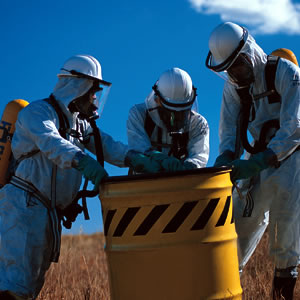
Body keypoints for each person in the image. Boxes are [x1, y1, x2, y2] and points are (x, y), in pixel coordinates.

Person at [0, 54, 156, 300]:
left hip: (45, 214)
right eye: (92, 91)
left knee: (28, 289)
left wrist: (137, 158)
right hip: (22, 210)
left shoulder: (78, 123)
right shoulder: (38, 113)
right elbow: (54, 144)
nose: (95, 98)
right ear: (75, 87)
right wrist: (85, 163)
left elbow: (107, 145)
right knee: (14, 287)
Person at [206, 22, 300, 300]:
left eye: (238, 65)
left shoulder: (286, 72)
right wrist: (225, 159)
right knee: (238, 227)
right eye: (229, 69)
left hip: (292, 160)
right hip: (255, 159)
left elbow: (295, 126)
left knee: (286, 233)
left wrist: (265, 159)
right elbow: (229, 131)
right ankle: (228, 290)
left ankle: (280, 293)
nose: (235, 73)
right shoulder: (234, 87)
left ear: (250, 52)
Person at [126, 67, 209, 173]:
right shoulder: (139, 114)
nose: (177, 118)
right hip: (144, 184)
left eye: (182, 113)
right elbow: (138, 148)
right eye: (171, 112)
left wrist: (190, 166)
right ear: (157, 100)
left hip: (183, 185)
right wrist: (157, 158)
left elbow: (199, 157)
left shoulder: (198, 124)